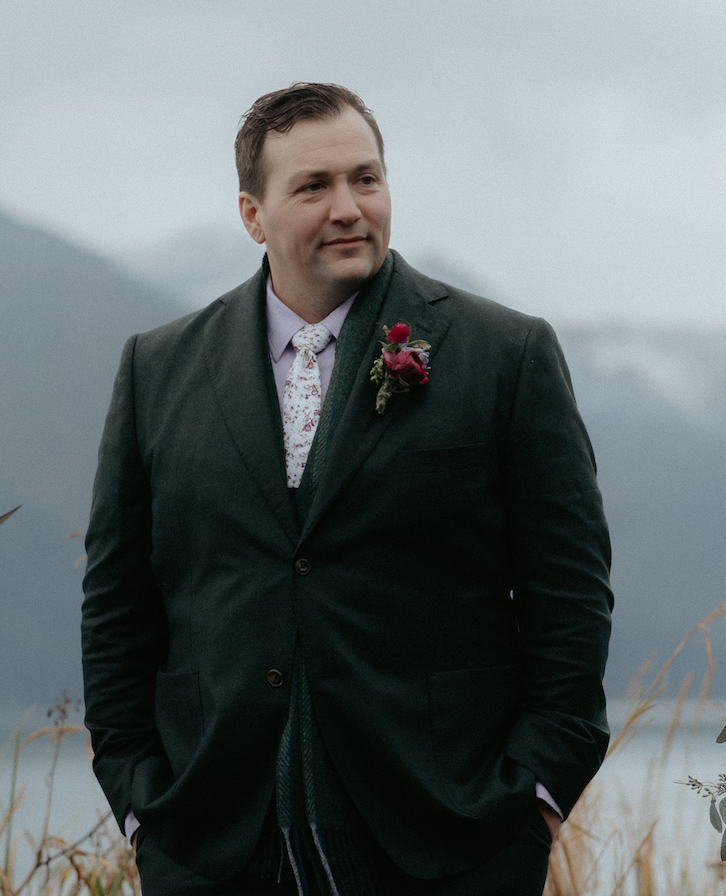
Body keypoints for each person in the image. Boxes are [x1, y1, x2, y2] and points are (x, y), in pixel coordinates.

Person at [81, 83, 613, 896]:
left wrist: (532, 798)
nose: (348, 208)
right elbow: (118, 605)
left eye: (366, 178)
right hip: (213, 842)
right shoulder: (157, 370)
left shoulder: (504, 354)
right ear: (252, 214)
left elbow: (569, 594)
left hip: (448, 840)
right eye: (313, 186)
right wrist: (140, 804)